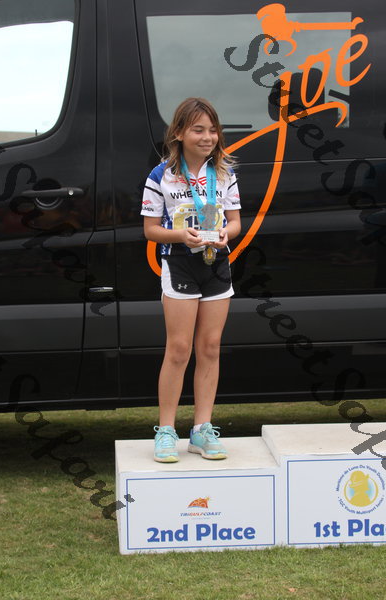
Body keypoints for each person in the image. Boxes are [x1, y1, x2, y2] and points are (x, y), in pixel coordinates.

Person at [141, 97, 241, 463]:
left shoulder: (225, 173)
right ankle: (166, 431)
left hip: (216, 263)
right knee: (179, 349)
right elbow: (151, 230)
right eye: (199, 130)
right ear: (180, 133)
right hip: (180, 263)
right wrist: (182, 236)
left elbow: (235, 222)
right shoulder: (161, 176)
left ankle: (202, 429)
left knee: (210, 347)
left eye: (213, 130)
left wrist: (226, 233)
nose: (208, 137)